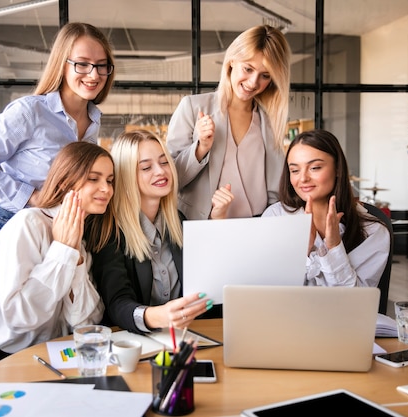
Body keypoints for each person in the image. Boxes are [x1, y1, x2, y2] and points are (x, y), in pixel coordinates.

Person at [0, 22, 116, 316]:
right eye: (82, 64)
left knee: (36, 327)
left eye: (101, 66)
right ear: (62, 64)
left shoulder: (93, 121)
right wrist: (33, 197)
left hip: (47, 236)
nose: (93, 75)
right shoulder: (29, 111)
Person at [0, 142, 115, 389]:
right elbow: (19, 319)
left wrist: (76, 259)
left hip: (47, 357)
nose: (106, 189)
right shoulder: (28, 225)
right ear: (64, 182)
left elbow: (86, 323)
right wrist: (62, 252)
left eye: (110, 180)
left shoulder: (79, 238)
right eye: (94, 179)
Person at [92, 130, 230, 334]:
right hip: (133, 345)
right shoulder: (110, 231)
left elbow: (206, 286)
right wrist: (157, 316)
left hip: (185, 339)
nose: (160, 171)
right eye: (146, 167)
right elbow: (117, 304)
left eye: (164, 162)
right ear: (126, 175)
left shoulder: (177, 222)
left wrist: (217, 222)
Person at [166, 25, 291, 220]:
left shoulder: (269, 120)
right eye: (248, 69)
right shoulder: (192, 107)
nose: (253, 82)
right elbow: (171, 181)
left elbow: (275, 191)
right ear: (232, 61)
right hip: (204, 227)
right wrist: (200, 148)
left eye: (265, 75)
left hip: (257, 228)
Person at [262, 129, 390, 287]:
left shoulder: (373, 231)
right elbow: (268, 291)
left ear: (337, 169)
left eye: (315, 168)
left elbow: (355, 302)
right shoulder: (275, 217)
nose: (303, 178)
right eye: (295, 170)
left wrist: (334, 247)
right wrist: (302, 251)